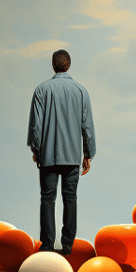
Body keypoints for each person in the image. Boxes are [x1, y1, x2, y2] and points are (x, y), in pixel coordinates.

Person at [27, 49, 96, 254]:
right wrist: (88, 153)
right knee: (70, 198)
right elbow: (87, 126)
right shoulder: (81, 91)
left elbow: (35, 127)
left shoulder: (41, 90)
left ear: (53, 65)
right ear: (69, 64)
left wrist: (36, 149)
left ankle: (47, 245)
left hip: (48, 155)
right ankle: (68, 246)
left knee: (47, 198)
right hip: (72, 154)